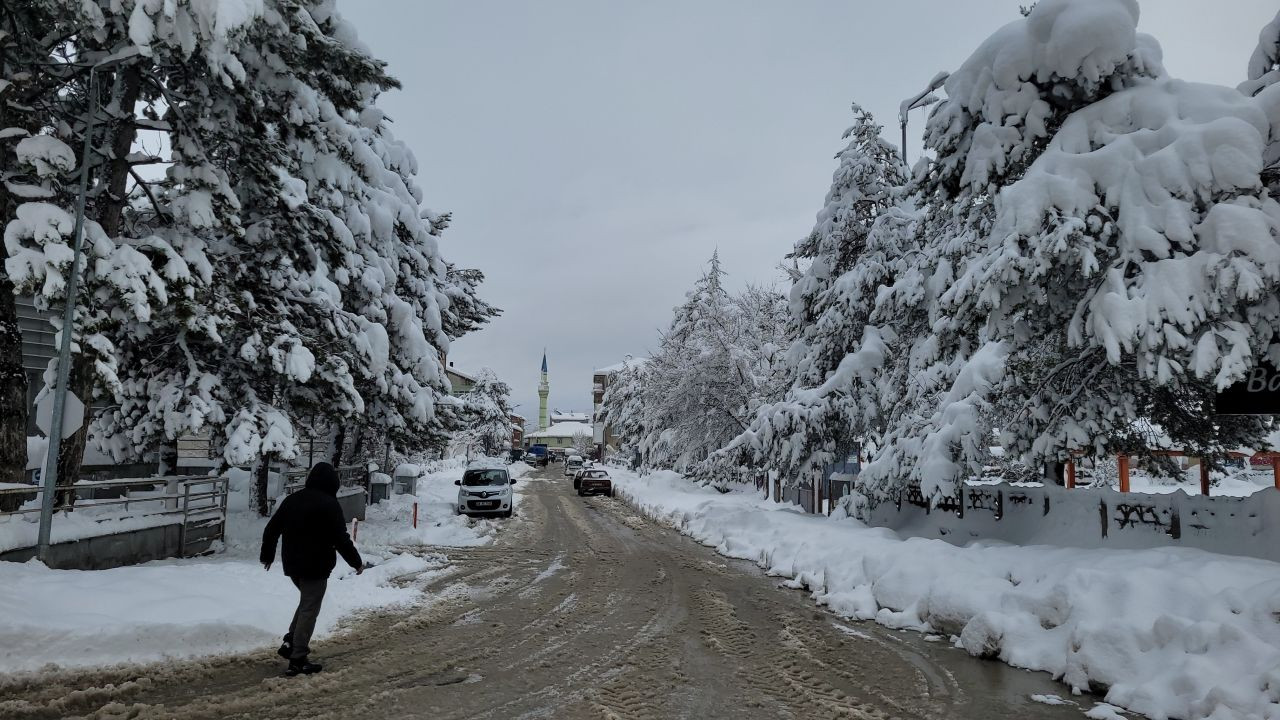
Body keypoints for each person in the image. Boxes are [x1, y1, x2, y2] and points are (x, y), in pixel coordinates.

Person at [260, 462, 364, 676]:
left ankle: (290, 642)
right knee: (310, 608)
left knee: (307, 602)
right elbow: (341, 539)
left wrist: (267, 556)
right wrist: (356, 562)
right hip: (316, 566)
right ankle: (298, 658)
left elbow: (272, 529)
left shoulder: (293, 500)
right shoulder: (329, 504)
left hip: (293, 566)